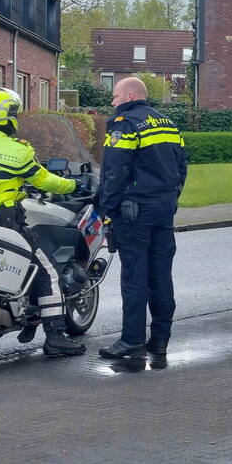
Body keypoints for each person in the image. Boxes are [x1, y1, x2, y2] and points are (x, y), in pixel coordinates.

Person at [0, 87, 89, 356]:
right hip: (1, 224)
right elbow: (45, 181)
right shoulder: (18, 153)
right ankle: (55, 335)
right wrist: (74, 185)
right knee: (48, 270)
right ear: (8, 117)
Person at [98, 77, 187, 360]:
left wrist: (106, 207)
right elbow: (182, 165)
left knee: (134, 277)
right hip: (163, 208)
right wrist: (171, 199)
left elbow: (114, 169)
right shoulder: (167, 123)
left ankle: (132, 341)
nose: (112, 102)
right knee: (161, 276)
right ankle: (160, 340)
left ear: (129, 95)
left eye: (114, 96)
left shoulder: (124, 123)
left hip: (134, 212)